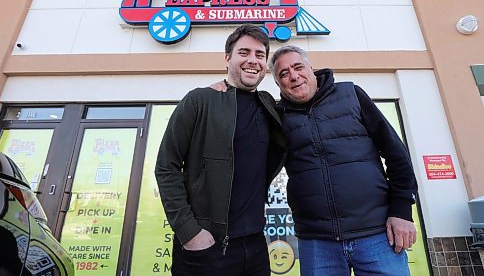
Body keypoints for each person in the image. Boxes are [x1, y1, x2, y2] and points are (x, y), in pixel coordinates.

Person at [268, 45, 418, 276]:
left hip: (377, 234)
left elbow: (395, 152)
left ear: (311, 69)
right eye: (284, 74)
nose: (294, 76)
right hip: (317, 241)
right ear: (278, 84)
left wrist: (402, 210)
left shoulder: (351, 95)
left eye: (298, 67)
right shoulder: (278, 117)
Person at [155, 24, 286, 276]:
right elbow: (166, 166)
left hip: (256, 244)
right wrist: (188, 231)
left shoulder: (269, 106)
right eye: (244, 52)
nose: (253, 60)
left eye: (260, 55)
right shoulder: (199, 100)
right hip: (206, 245)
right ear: (227, 58)